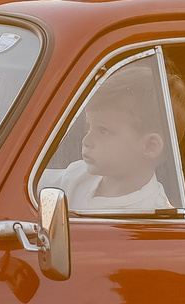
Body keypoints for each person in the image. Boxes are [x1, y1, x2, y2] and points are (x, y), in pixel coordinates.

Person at [41, 71, 177, 214]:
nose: (86, 141)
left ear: (150, 146)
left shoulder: (155, 215)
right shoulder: (78, 175)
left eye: (103, 130)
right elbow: (23, 185)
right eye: (89, 127)